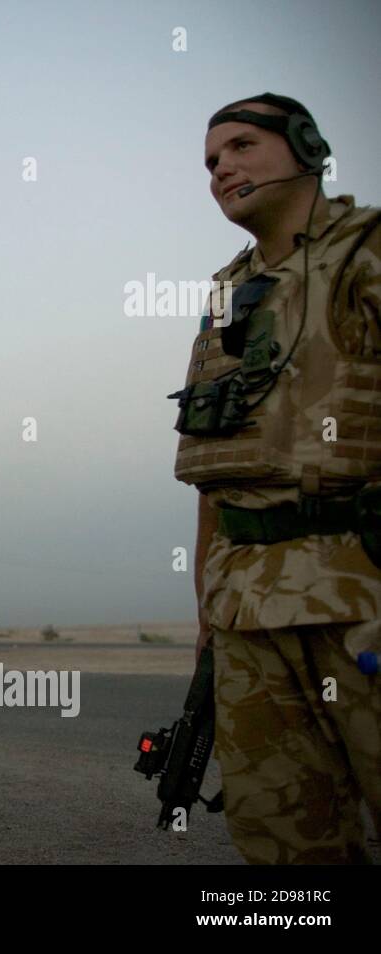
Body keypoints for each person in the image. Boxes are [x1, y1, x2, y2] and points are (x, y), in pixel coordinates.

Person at [173, 92, 381, 863]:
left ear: (305, 145)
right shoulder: (228, 294)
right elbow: (214, 472)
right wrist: (206, 616)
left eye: (242, 146)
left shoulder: (365, 254)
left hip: (359, 596)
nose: (223, 166)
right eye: (210, 160)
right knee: (283, 848)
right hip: (247, 615)